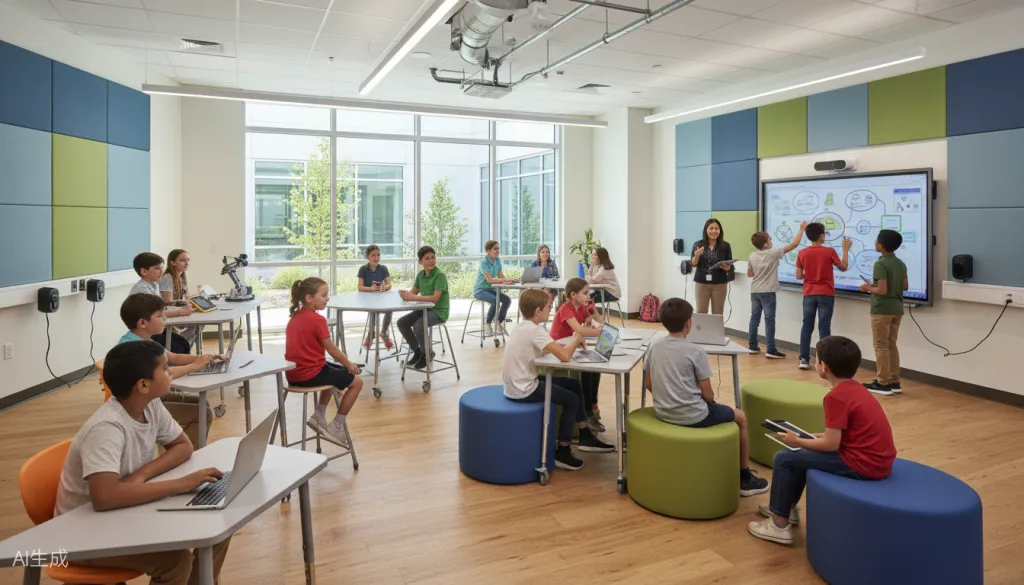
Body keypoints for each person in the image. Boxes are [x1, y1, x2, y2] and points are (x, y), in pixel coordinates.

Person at [56, 340, 232, 584]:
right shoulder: (107, 428)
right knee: (176, 561)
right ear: (143, 385)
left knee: (219, 529)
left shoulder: (151, 405)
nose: (171, 372)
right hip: (83, 533)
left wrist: (141, 475)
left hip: (124, 509)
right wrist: (180, 484)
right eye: (165, 368)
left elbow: (183, 446)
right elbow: (104, 497)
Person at [748, 336, 896, 545]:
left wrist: (798, 441)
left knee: (785, 458)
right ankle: (787, 509)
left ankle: (779, 524)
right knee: (799, 456)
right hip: (877, 460)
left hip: (862, 464)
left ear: (824, 367)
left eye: (815, 359)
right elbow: (841, 435)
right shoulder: (855, 389)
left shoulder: (835, 397)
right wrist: (811, 437)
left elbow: (831, 444)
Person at [643, 298, 769, 497]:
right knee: (741, 418)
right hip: (695, 416)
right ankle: (745, 478)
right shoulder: (695, 351)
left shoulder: (653, 345)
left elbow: (649, 384)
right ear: (689, 323)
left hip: (663, 412)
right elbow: (708, 395)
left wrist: (669, 397)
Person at [503, 289, 615, 470]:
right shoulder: (535, 330)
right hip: (524, 389)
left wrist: (566, 343)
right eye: (548, 307)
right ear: (538, 311)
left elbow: (547, 348)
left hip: (516, 384)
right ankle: (563, 450)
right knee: (572, 399)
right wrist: (576, 339)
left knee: (573, 384)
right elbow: (564, 356)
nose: (551, 310)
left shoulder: (523, 327)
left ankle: (585, 435)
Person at [118, 293, 220, 448]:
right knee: (203, 413)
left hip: (149, 398)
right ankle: (183, 453)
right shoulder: (137, 349)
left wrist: (204, 357)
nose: (164, 318)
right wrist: (195, 366)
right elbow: (167, 374)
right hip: (141, 408)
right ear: (142, 323)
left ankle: (181, 449)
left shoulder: (143, 339)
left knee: (201, 403)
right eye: (160, 315)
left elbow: (174, 357)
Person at [285, 277, 363, 448]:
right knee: (357, 382)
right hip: (309, 375)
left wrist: (345, 366)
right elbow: (332, 349)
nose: (327, 298)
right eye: (323, 295)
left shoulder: (295, 316)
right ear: (309, 298)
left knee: (333, 371)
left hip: (293, 374)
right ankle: (336, 426)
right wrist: (349, 364)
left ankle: (319, 415)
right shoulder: (317, 320)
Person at [549, 277, 605, 431]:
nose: (588, 296)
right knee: (587, 369)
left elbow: (600, 320)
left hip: (571, 347)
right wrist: (599, 332)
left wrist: (593, 312)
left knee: (596, 366)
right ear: (573, 295)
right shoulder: (566, 308)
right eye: (585, 293)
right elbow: (579, 330)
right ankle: (587, 412)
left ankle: (592, 405)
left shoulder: (581, 307)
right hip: (558, 350)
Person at [747, 221, 807, 359]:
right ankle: (770, 349)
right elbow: (794, 244)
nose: (771, 241)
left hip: (755, 290)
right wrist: (801, 229)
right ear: (765, 244)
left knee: (754, 318)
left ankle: (752, 346)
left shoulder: (751, 256)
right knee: (769, 321)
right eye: (770, 239)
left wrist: (760, 270)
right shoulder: (773, 253)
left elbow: (750, 274)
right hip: (768, 291)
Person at [796, 223, 852, 370]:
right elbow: (843, 267)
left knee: (806, 326)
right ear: (822, 236)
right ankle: (823, 362)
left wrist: (811, 276)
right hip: (826, 293)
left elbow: (798, 275)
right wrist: (845, 250)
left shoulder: (802, 252)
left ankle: (804, 359)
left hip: (809, 293)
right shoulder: (829, 251)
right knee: (824, 327)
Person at [859, 229, 908, 396]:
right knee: (891, 345)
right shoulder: (900, 263)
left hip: (882, 309)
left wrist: (868, 287)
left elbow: (881, 290)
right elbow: (905, 286)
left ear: (880, 246)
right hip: (897, 309)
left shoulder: (880, 264)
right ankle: (894, 381)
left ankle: (882, 383)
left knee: (880, 346)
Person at [398, 246, 450, 370]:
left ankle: (426, 354)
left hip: (439, 312)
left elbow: (435, 299)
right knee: (402, 323)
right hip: (425, 309)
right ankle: (418, 352)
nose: (431, 261)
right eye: (427, 258)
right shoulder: (420, 275)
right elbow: (414, 292)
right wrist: (405, 293)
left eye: (433, 257)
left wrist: (412, 297)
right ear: (420, 262)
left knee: (418, 326)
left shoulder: (440, 276)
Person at [132, 252, 192, 354]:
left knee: (183, 344)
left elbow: (161, 307)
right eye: (157, 268)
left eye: (161, 268)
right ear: (144, 271)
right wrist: (180, 312)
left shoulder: (155, 286)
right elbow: (153, 314)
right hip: (147, 331)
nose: (161, 271)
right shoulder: (142, 289)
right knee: (177, 347)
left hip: (155, 327)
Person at [159, 249, 201, 348]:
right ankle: (181, 346)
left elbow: (187, 296)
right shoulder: (167, 277)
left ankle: (183, 346)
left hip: (177, 310)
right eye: (182, 260)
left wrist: (198, 296)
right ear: (172, 262)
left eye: (188, 260)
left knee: (199, 323)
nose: (187, 263)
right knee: (195, 324)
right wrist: (185, 302)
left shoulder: (182, 276)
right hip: (169, 312)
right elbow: (168, 301)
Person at [690, 219, 734, 315]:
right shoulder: (698, 244)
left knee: (718, 313)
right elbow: (693, 264)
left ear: (720, 231)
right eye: (711, 228)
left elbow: (730, 264)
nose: (714, 231)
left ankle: (716, 326)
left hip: (720, 283)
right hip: (702, 283)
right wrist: (697, 255)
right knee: (701, 312)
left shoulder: (725, 246)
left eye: (716, 228)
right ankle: (702, 327)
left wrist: (728, 268)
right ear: (706, 230)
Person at [356, 244, 395, 350]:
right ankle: (371, 333)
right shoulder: (363, 269)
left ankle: (383, 332)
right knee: (373, 310)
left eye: (378, 255)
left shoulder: (383, 268)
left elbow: (389, 285)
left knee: (390, 310)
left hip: (381, 298)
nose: (376, 257)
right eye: (373, 255)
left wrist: (384, 287)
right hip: (368, 299)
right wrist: (370, 288)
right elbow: (360, 287)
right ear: (367, 257)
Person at [473, 240, 513, 337]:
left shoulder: (497, 260)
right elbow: (490, 280)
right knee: (496, 301)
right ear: (488, 250)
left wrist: (509, 280)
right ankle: (487, 323)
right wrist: (503, 280)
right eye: (495, 249)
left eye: (498, 248)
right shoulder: (483, 262)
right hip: (480, 290)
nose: (497, 251)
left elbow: (500, 276)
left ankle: (498, 321)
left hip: (491, 289)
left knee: (507, 300)